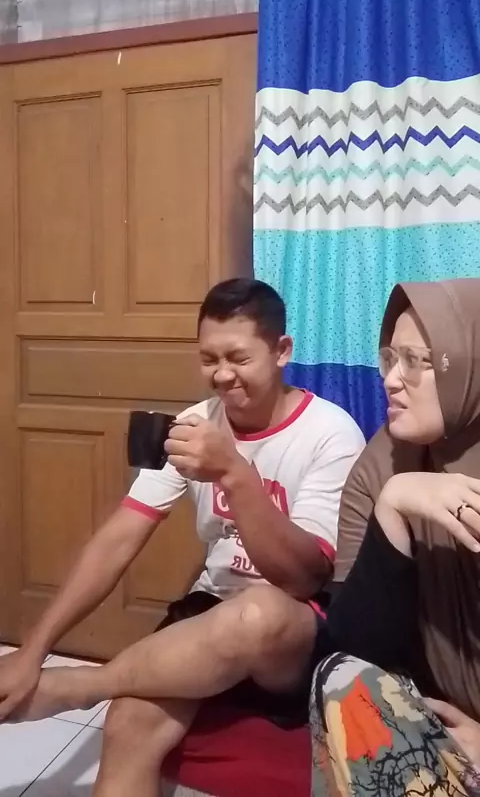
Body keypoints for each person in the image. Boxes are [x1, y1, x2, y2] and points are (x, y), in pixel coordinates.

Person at [0, 277, 364, 797]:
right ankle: (93, 690)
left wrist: (234, 472)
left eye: (238, 358)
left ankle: (82, 686)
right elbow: (118, 539)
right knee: (129, 721)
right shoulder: (195, 424)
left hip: (290, 627)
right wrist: (33, 650)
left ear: (282, 351)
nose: (222, 375)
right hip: (210, 609)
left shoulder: (330, 433)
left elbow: (304, 579)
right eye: (208, 359)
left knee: (258, 613)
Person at [310, 277, 480, 797]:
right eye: (389, 358)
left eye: (416, 361)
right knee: (338, 680)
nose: (390, 380)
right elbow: (354, 645)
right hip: (439, 719)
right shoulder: (381, 464)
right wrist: (394, 505)